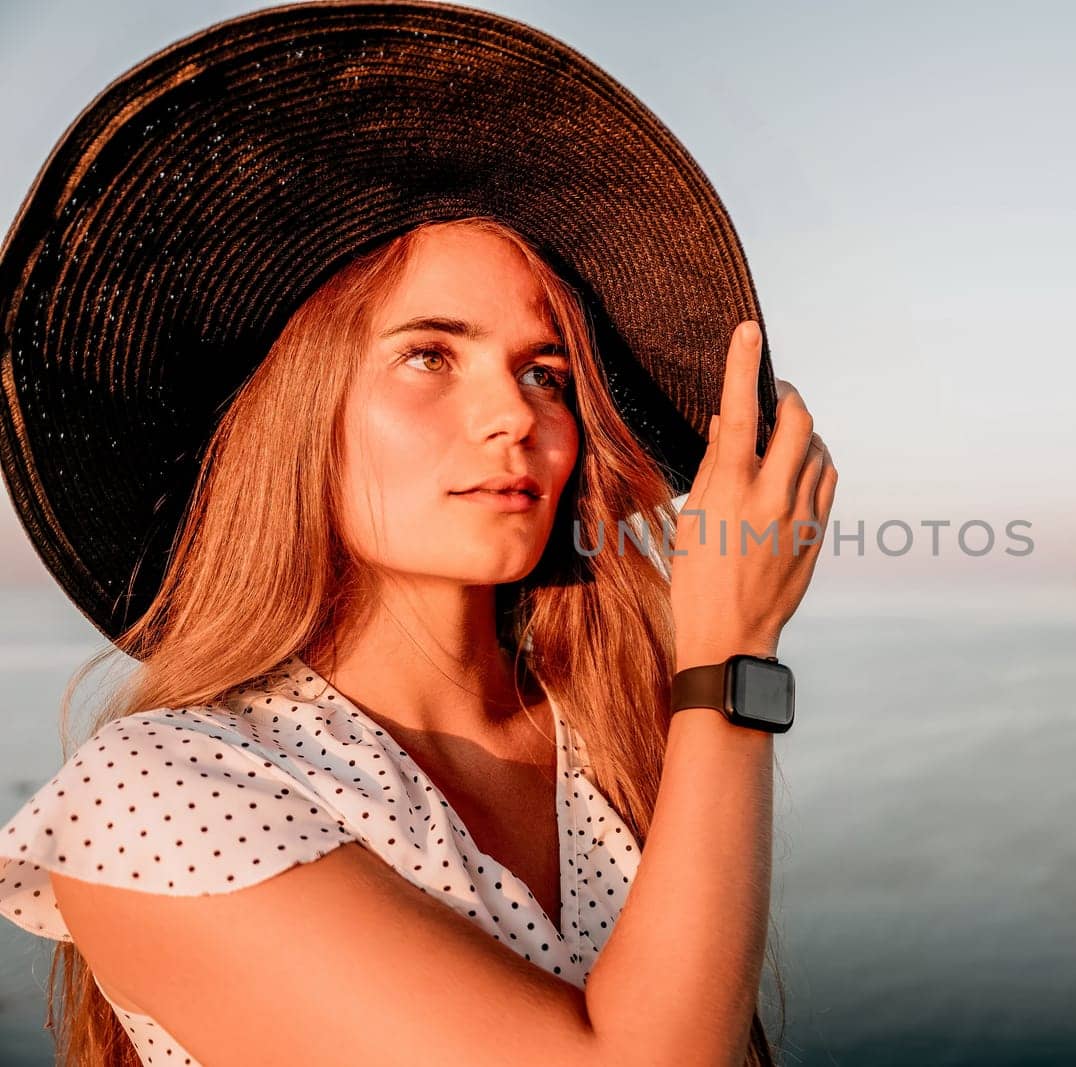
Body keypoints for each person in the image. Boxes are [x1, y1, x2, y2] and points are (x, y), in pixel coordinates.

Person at [0, 5, 836, 1066]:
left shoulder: (616, 730)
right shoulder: (163, 791)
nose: (517, 418)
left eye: (547, 373)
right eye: (430, 355)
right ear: (299, 412)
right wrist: (729, 663)